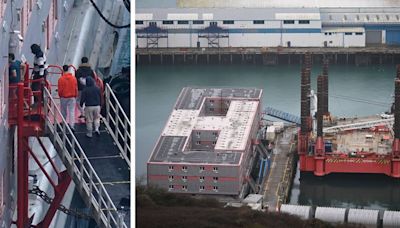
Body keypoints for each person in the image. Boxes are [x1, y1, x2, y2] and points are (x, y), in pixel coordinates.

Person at [58, 65, 78, 131]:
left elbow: (60, 89)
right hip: (72, 97)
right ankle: (72, 125)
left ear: (63, 70)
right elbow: (75, 88)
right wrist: (75, 95)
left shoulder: (61, 79)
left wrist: (60, 95)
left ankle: (64, 123)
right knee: (71, 111)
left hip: (64, 97)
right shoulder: (73, 78)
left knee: (63, 111)